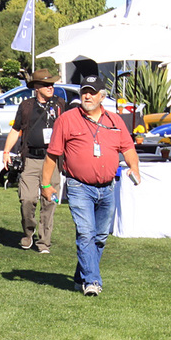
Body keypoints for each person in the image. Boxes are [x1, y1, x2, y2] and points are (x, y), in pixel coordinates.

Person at [39, 75, 141, 296]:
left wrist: (134, 167)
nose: (87, 96)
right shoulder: (67, 119)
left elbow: (129, 149)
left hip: (107, 187)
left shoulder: (115, 121)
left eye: (92, 92)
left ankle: (81, 276)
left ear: (102, 96)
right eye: (84, 91)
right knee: (86, 233)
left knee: (100, 236)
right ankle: (92, 282)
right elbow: (53, 155)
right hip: (79, 186)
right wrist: (45, 185)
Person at [0, 68, 65, 254]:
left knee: (49, 201)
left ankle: (44, 242)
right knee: (27, 199)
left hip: (52, 160)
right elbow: (16, 129)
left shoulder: (60, 104)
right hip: (30, 159)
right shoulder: (26, 106)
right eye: (46, 84)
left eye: (52, 84)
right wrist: (6, 151)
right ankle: (28, 232)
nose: (50, 87)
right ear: (36, 87)